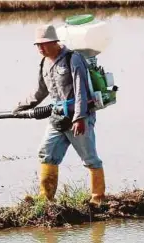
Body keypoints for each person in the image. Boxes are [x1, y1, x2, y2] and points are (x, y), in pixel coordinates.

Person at [13, 24, 105, 208]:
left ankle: (98, 198)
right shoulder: (44, 63)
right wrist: (19, 107)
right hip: (57, 117)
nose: (41, 48)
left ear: (55, 42)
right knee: (46, 153)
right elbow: (40, 92)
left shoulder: (73, 59)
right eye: (37, 45)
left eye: (44, 44)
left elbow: (81, 90)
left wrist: (79, 118)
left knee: (89, 157)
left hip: (77, 117)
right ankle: (46, 198)